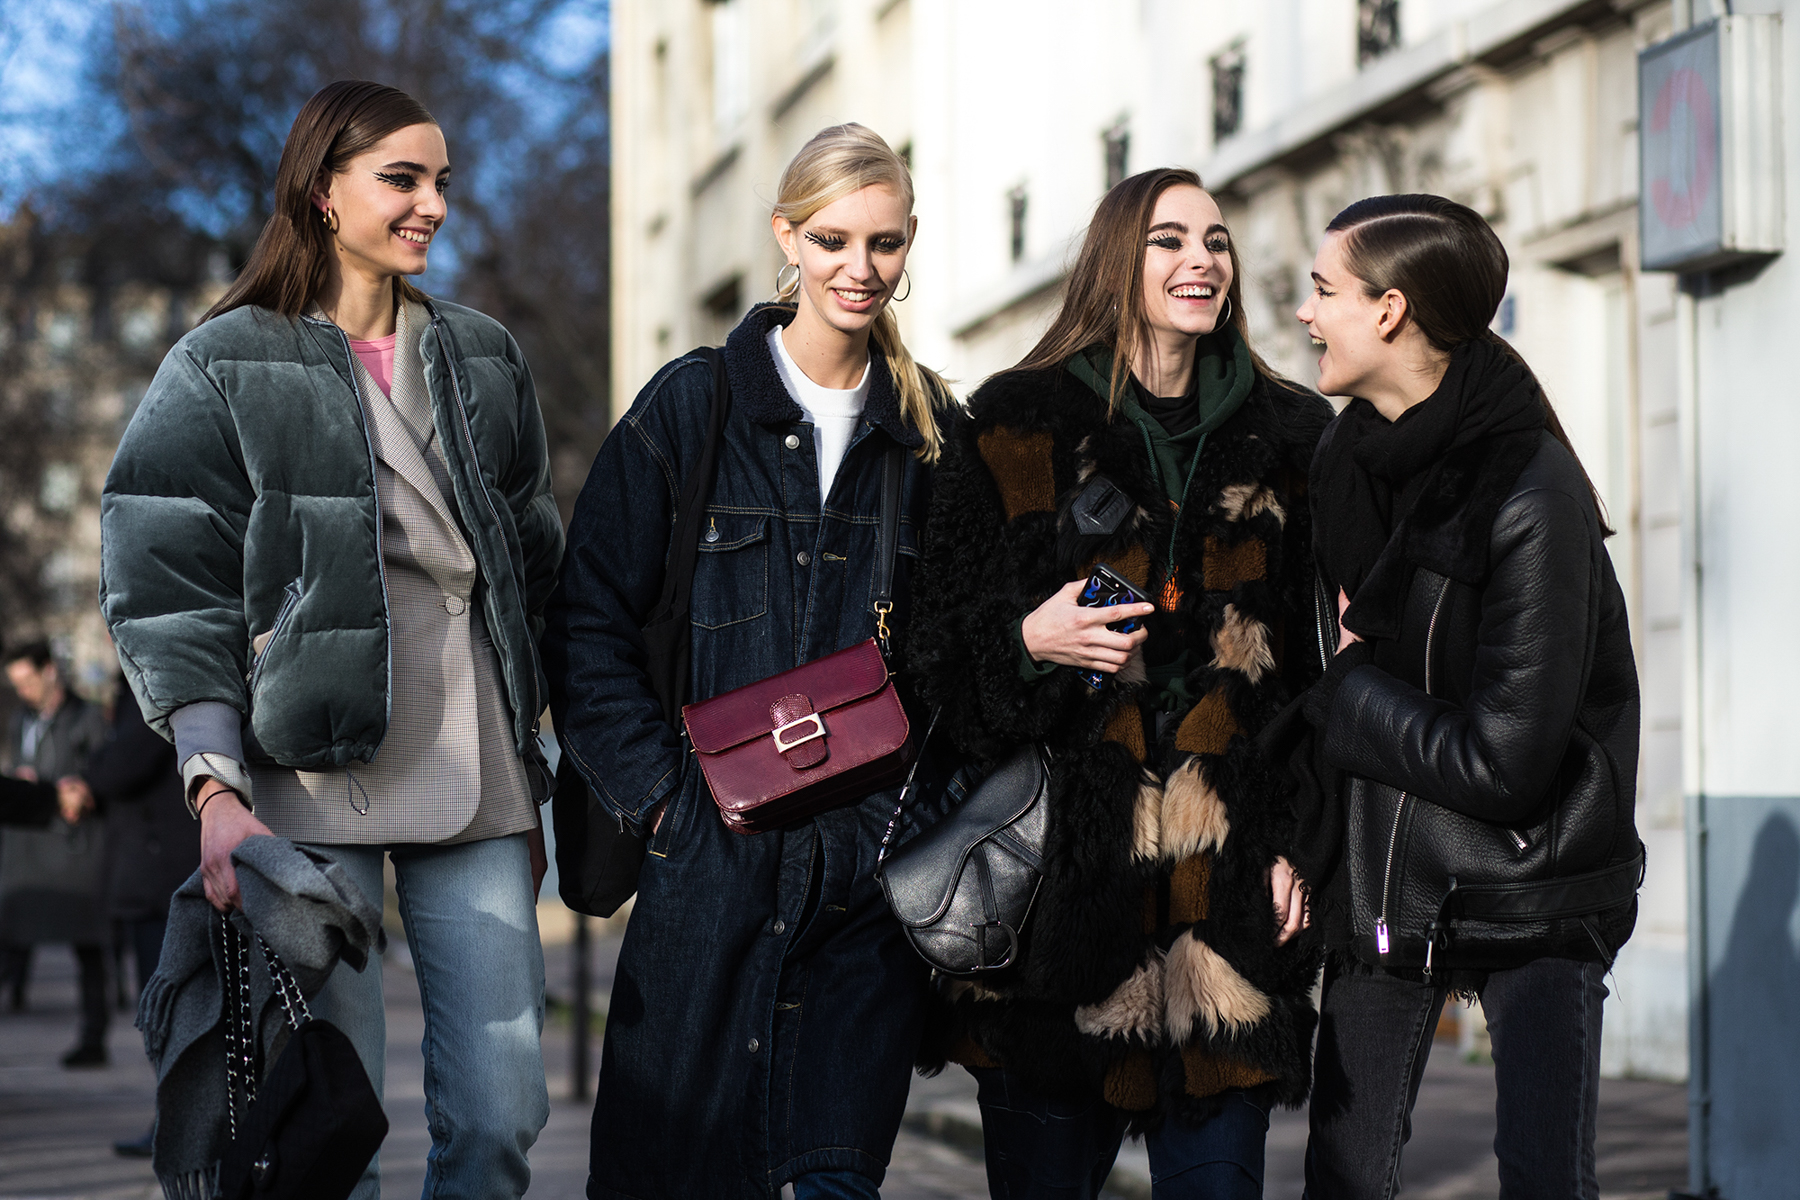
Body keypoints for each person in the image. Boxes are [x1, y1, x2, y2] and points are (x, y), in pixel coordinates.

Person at [98, 79, 562, 1198]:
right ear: (321, 191)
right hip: (306, 769)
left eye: (442, 181)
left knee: (502, 1116)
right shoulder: (223, 361)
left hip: (480, 764)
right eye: (401, 178)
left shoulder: (486, 354)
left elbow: (538, 559)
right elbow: (167, 583)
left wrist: (560, 740)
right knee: (324, 1122)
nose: (433, 205)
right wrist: (214, 788)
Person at [543, 123, 953, 1200]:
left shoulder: (930, 436)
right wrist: (666, 805)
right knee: (669, 1178)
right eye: (831, 239)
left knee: (830, 1181)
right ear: (786, 237)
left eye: (885, 243)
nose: (858, 269)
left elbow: (954, 656)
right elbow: (588, 621)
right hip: (705, 880)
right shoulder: (693, 408)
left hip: (863, 887)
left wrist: (904, 822)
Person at [907, 168, 1332, 1198]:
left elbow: (1325, 681)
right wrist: (1028, 643)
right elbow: (936, 661)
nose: (1202, 262)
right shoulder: (1017, 427)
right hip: (1057, 917)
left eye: (1218, 241)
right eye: (1171, 240)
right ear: (1115, 263)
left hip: (1226, 908)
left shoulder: (1298, 438)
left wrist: (1303, 846)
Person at [1290, 194, 1641, 1198]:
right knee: (1343, 1181)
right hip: (1382, 878)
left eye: (1325, 292)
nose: (1307, 314)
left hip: (1534, 879)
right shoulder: (1342, 460)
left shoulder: (1533, 494)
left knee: (1540, 1181)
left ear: (1391, 310)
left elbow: (1505, 760)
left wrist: (1346, 689)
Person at [52, 674, 201, 1156]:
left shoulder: (152, 681)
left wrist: (85, 781)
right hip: (157, 877)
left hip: (159, 880)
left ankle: (180, 1126)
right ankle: (180, 1121)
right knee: (169, 1008)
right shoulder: (150, 679)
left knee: (166, 1009)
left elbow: (125, 763)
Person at [1, 640, 110, 1066]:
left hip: (72, 844)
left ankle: (93, 1037)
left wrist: (76, 789)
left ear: (49, 670)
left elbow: (100, 773)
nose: (23, 691)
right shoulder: (18, 719)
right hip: (28, 840)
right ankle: (17, 993)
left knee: (87, 943)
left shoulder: (86, 717)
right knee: (12, 931)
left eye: (27, 681)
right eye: (16, 684)